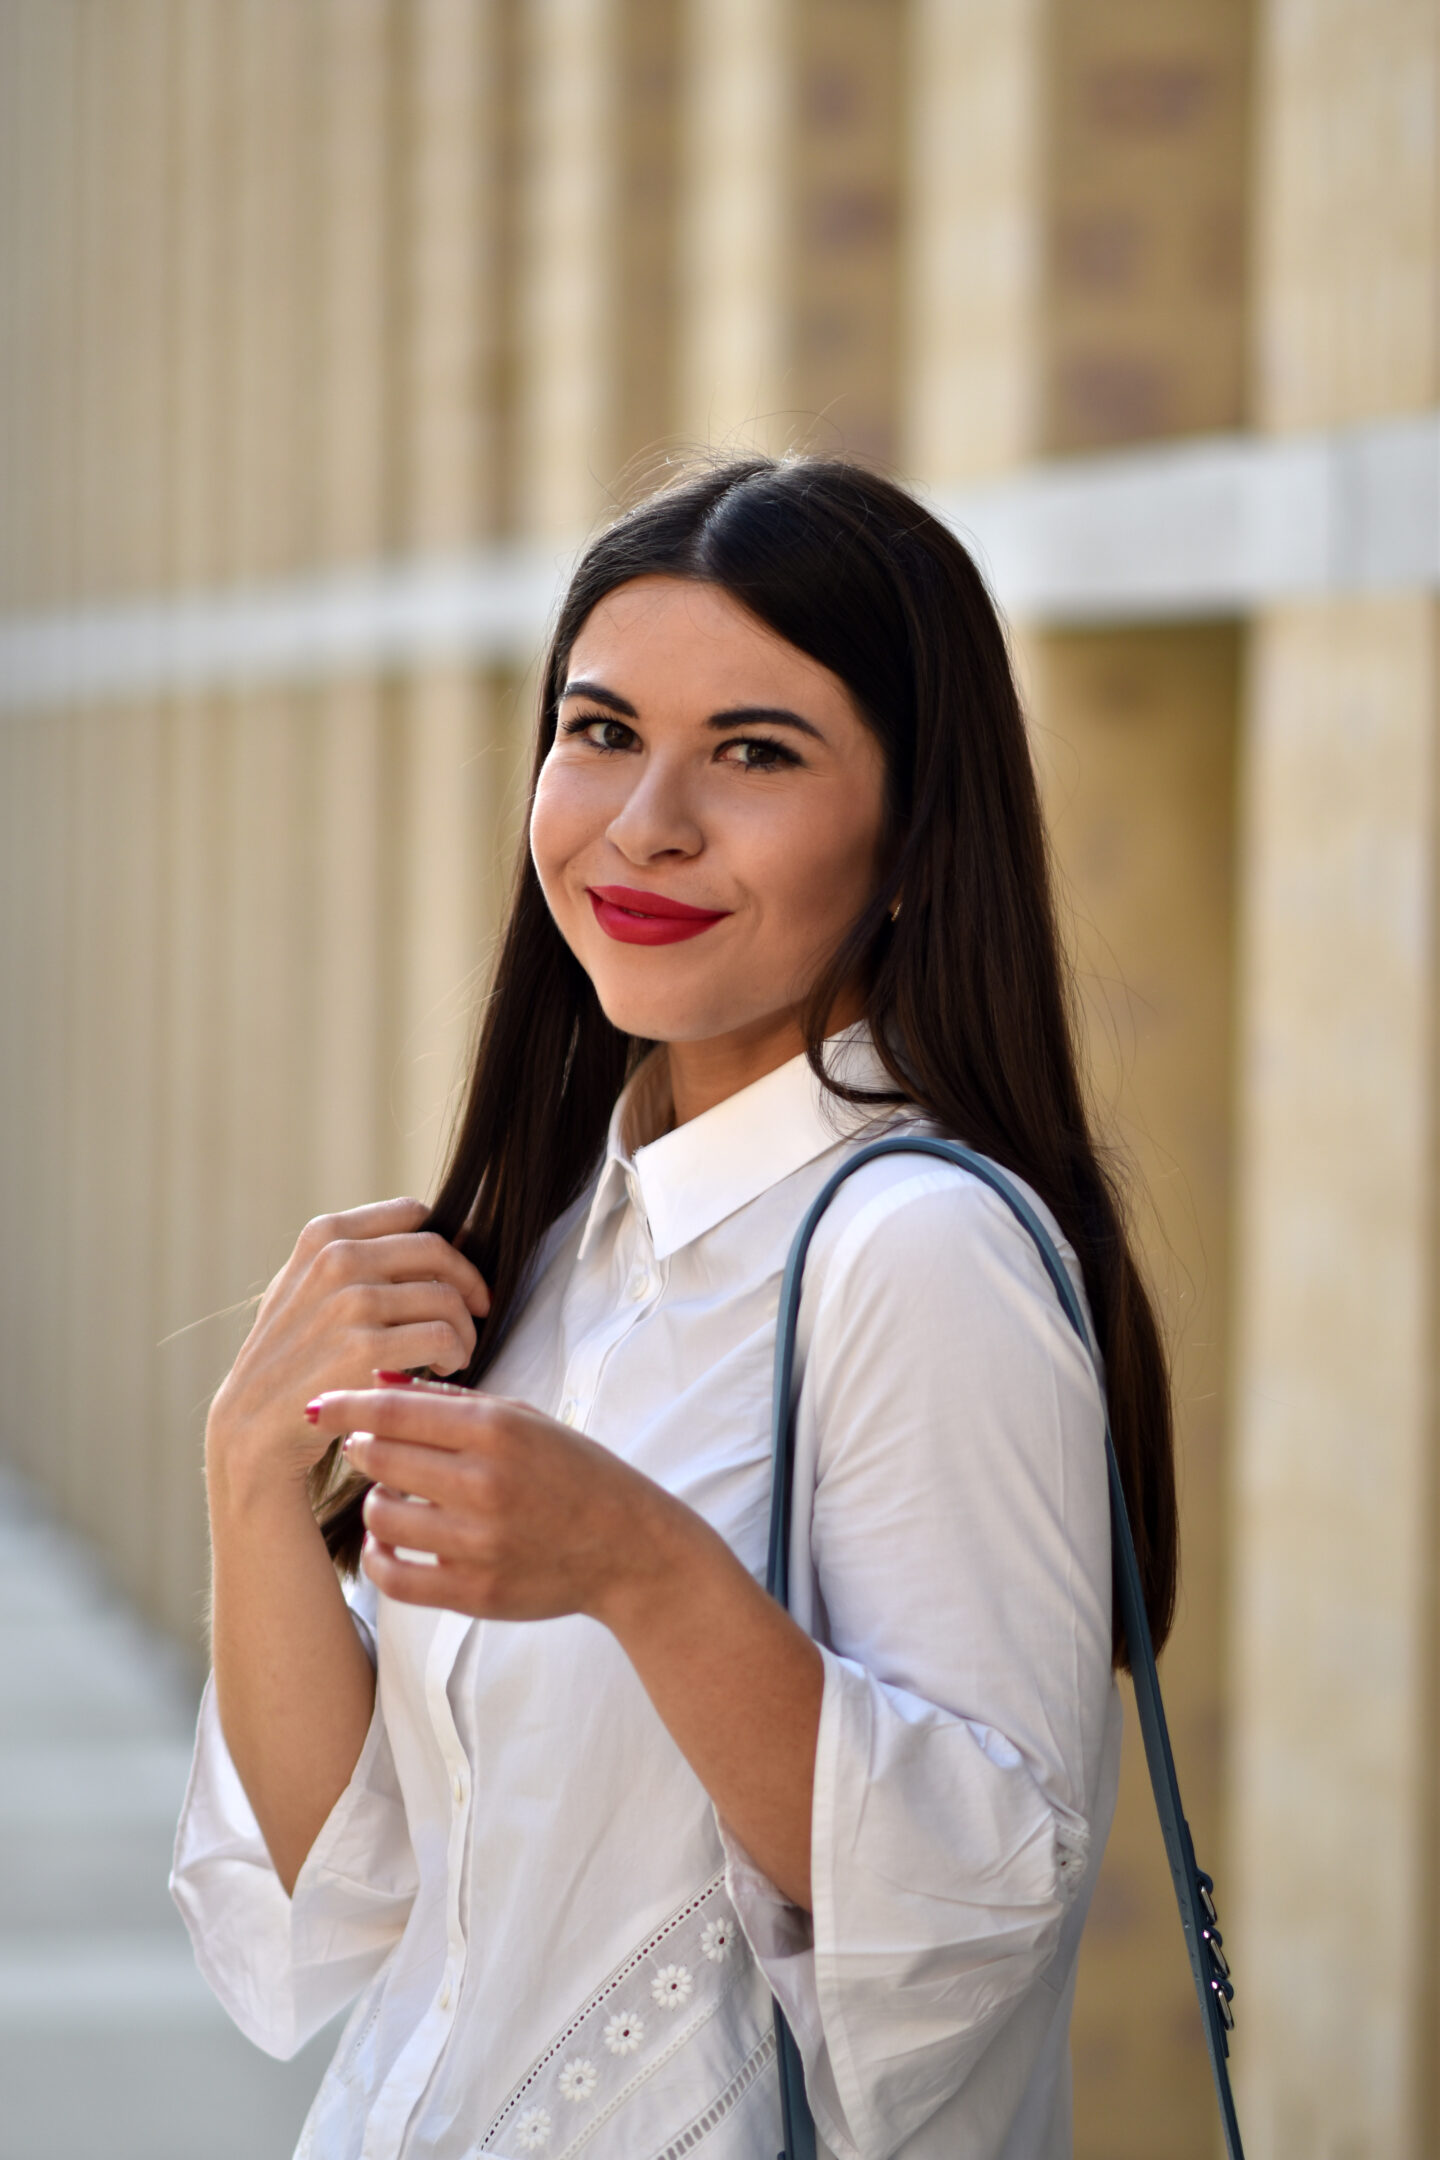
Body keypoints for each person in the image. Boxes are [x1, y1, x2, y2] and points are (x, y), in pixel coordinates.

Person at [172, 456, 1177, 2160]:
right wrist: (252, 1484)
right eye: (602, 729)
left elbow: (974, 1910)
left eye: (758, 754)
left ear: (916, 836)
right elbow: (354, 1900)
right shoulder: (566, 1237)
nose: (646, 823)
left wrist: (644, 1572)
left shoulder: (915, 1252)